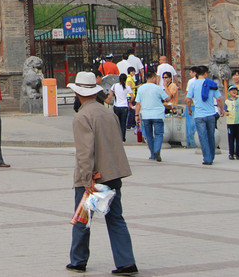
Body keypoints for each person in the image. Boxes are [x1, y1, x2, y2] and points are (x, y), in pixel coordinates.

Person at [65, 72, 137, 275]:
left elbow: (85, 152)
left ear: (78, 93)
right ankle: (126, 262)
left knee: (83, 218)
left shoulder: (82, 116)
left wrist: (87, 179)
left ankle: (78, 260)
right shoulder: (108, 113)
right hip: (113, 174)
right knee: (116, 218)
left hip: (94, 177)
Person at [186, 66, 223, 165]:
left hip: (199, 115)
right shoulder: (211, 84)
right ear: (205, 74)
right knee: (211, 135)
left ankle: (207, 158)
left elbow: (188, 99)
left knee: (203, 137)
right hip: (211, 114)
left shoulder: (193, 85)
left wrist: (189, 109)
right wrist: (222, 110)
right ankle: (211, 155)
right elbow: (219, 99)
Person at [133, 73, 167, 162]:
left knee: (149, 135)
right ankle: (157, 150)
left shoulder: (141, 88)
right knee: (159, 134)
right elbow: (166, 98)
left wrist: (137, 115)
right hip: (158, 115)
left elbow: (138, 103)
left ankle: (152, 154)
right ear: (152, 78)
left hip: (146, 115)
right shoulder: (157, 88)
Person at [106, 77, 131, 142]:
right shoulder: (127, 87)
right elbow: (132, 96)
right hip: (124, 106)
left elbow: (110, 95)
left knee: (117, 123)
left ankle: (116, 137)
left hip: (116, 106)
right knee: (123, 123)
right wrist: (130, 101)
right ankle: (123, 137)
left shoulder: (114, 86)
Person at [224, 85, 239, 160]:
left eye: (235, 90)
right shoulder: (227, 101)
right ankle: (231, 153)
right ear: (229, 92)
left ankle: (238, 154)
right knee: (231, 138)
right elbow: (224, 110)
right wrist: (225, 112)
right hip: (230, 122)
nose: (234, 91)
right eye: (232, 90)